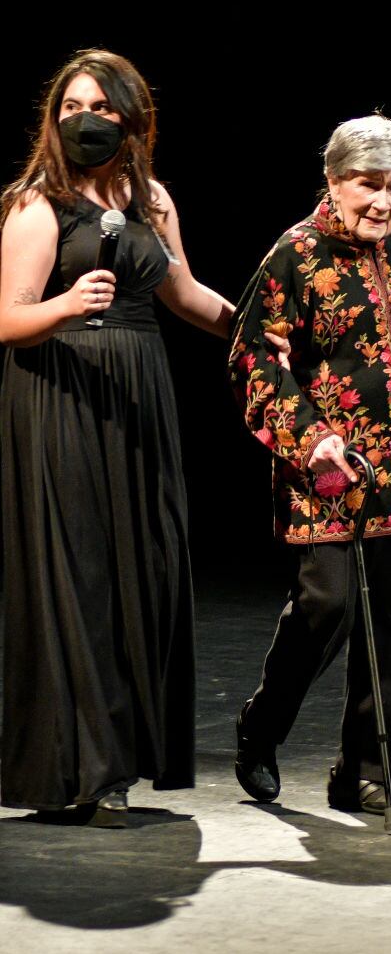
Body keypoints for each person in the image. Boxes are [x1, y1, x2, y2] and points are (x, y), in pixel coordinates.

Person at [0, 50, 242, 824]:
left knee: (145, 563)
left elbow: (185, 293)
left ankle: (125, 754)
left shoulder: (151, 202)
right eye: (71, 104)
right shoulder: (37, 205)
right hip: (60, 394)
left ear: (132, 119)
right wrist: (68, 306)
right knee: (78, 574)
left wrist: (261, 330)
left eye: (101, 106)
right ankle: (83, 769)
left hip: (139, 394)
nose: (84, 118)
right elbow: (8, 318)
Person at [229, 115, 391, 817]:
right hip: (327, 466)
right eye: (367, 185)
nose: (382, 201)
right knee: (329, 606)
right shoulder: (296, 253)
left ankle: (364, 771)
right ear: (333, 179)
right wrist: (311, 437)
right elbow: (253, 357)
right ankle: (262, 727)